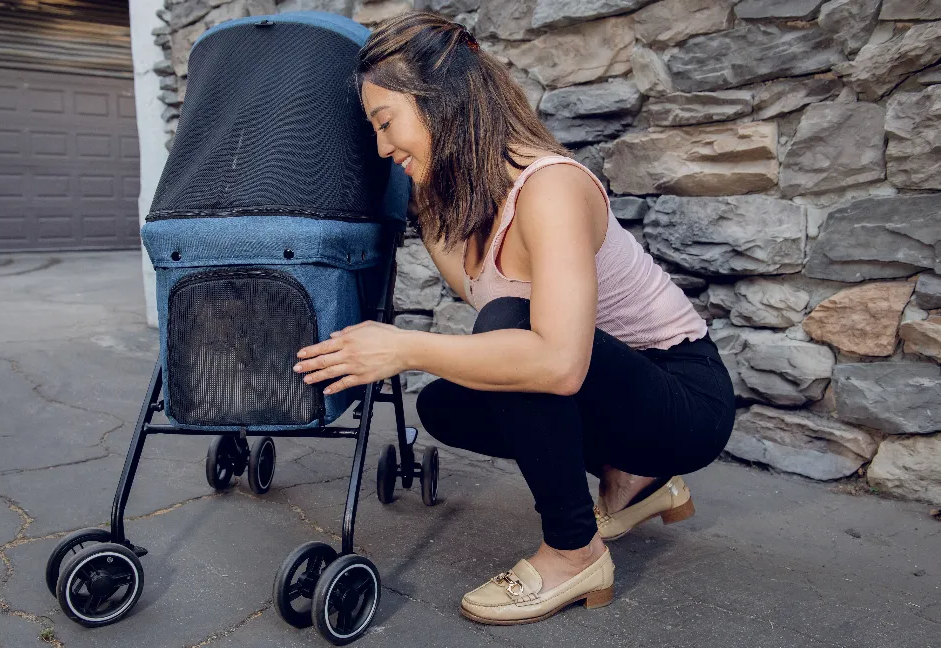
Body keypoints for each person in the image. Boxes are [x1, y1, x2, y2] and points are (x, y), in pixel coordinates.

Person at [294, 11, 736, 626]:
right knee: (445, 405)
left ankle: (574, 552)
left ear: (442, 102)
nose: (381, 146)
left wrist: (402, 347)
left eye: (386, 123)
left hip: (685, 397)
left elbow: (554, 362)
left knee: (512, 331)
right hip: (616, 387)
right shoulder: (458, 201)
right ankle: (632, 475)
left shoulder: (549, 187)